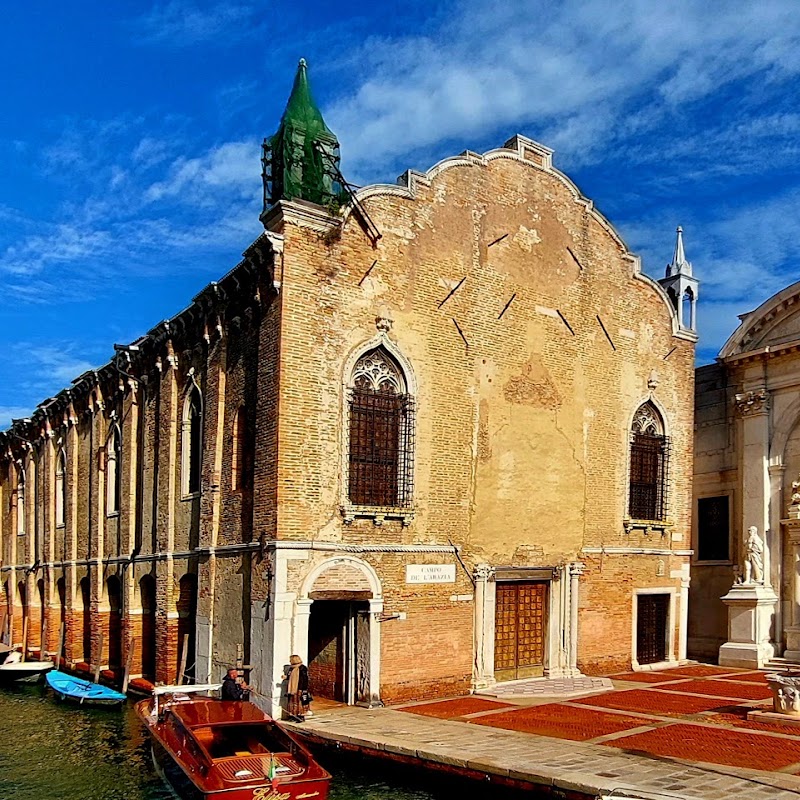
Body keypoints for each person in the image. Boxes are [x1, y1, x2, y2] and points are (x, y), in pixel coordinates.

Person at [282, 654, 311, 721]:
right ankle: (293, 715)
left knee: (299, 702)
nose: (290, 661)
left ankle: (300, 716)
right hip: (292, 688)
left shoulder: (302, 668)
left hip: (299, 688)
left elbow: (305, 679)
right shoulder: (291, 668)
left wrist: (304, 689)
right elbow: (289, 676)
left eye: (291, 660)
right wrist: (286, 677)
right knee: (292, 702)